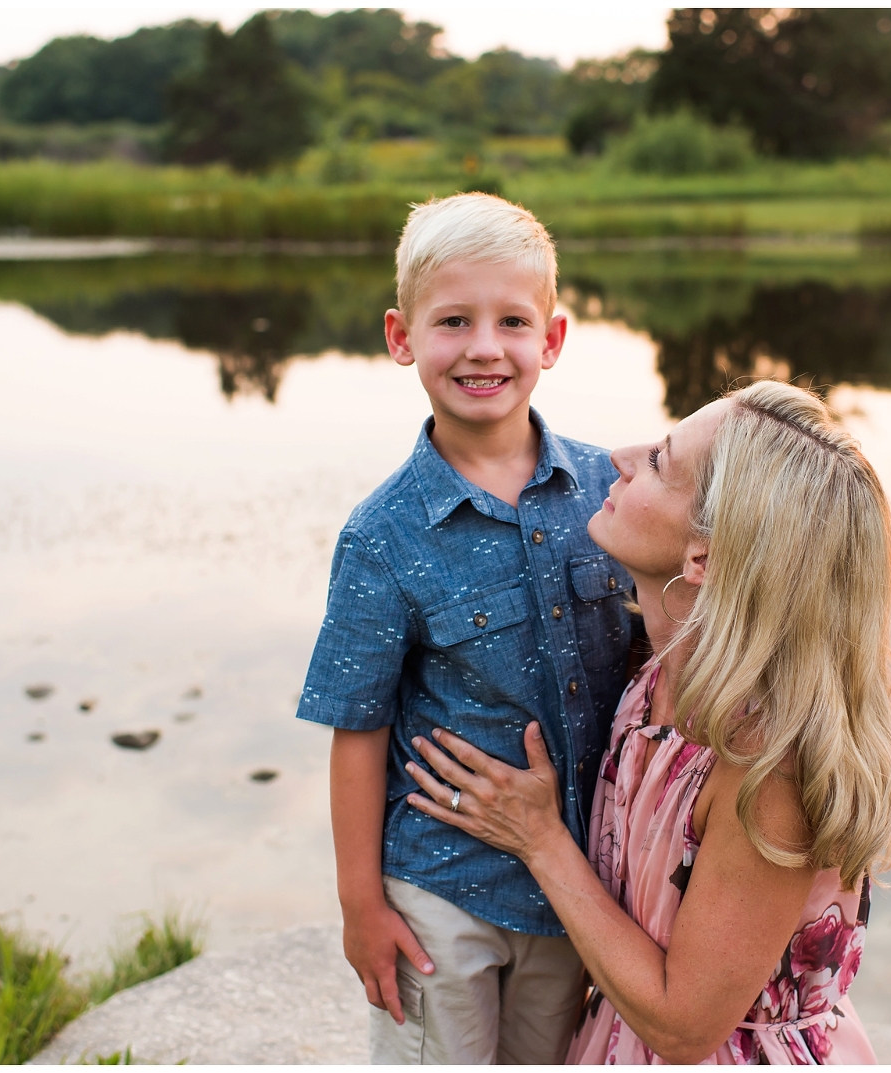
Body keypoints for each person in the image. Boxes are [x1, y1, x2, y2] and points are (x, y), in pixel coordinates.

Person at [402, 380, 891, 1064]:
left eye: (659, 461)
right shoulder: (657, 671)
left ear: (704, 557)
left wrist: (538, 837)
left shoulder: (765, 762)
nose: (619, 457)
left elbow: (685, 1027)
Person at [296, 193, 636, 1064]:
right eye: (453, 320)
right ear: (401, 336)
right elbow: (358, 727)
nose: (484, 346)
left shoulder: (612, 490)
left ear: (551, 340)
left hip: (575, 885)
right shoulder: (382, 535)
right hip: (438, 885)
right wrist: (360, 904)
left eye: (511, 321)